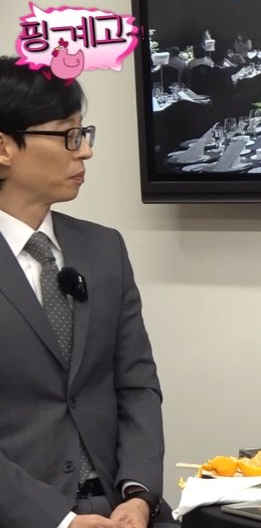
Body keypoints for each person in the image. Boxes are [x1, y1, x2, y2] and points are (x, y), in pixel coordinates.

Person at [0, 58, 173, 526]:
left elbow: (137, 384)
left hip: (122, 507)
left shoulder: (103, 248)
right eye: (69, 135)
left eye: (84, 133)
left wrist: (139, 494)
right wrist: (63, 521)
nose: (86, 152)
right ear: (3, 147)